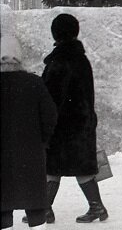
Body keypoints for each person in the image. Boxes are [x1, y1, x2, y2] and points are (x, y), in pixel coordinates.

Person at [41, 13, 107, 223]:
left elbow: (51, 96)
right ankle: (96, 208)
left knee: (53, 167)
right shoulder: (81, 58)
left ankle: (46, 209)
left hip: (63, 126)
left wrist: (44, 121)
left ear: (56, 33)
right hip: (82, 122)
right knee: (80, 167)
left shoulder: (60, 61)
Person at [1, 35, 58, 229]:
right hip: (31, 153)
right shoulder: (33, 83)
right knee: (34, 204)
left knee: (2, 206)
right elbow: (50, 115)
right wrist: (42, 140)